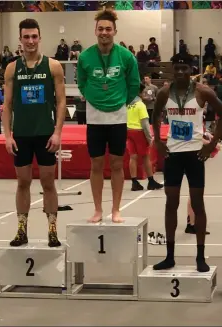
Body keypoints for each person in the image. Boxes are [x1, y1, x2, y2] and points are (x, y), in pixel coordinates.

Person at [151, 53, 222, 273]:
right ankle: (170, 256)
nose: (181, 72)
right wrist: (158, 140)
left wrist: (212, 143)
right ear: (172, 69)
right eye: (177, 68)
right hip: (173, 154)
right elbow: (155, 116)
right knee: (170, 203)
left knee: (197, 204)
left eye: (185, 68)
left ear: (191, 69)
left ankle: (200, 257)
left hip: (195, 154)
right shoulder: (165, 93)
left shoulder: (202, 91)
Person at [2, 19, 66, 247]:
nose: (30, 41)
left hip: (45, 134)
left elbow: (61, 102)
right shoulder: (12, 68)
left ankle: (52, 229)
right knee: (23, 182)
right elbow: (7, 105)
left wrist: (58, 132)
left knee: (48, 182)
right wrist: (7, 136)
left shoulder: (53, 66)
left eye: (34, 36)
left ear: (40, 38)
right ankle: (22, 229)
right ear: (20, 39)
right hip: (21, 136)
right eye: (26, 37)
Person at [76, 9, 140, 223]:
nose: (104, 32)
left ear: (115, 31)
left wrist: (121, 100)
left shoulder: (126, 56)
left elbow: (133, 84)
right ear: (95, 31)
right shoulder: (85, 56)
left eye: (108, 29)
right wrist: (92, 96)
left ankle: (116, 209)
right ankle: (97, 209)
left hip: (118, 117)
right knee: (95, 164)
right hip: (94, 118)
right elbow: (82, 82)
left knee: (116, 164)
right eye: (101, 29)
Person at [127, 83, 163, 191]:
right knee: (146, 156)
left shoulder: (127, 104)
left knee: (133, 157)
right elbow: (145, 123)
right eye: (143, 92)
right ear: (140, 92)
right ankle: (151, 181)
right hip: (139, 132)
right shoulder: (140, 105)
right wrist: (150, 138)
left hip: (128, 130)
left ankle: (134, 182)